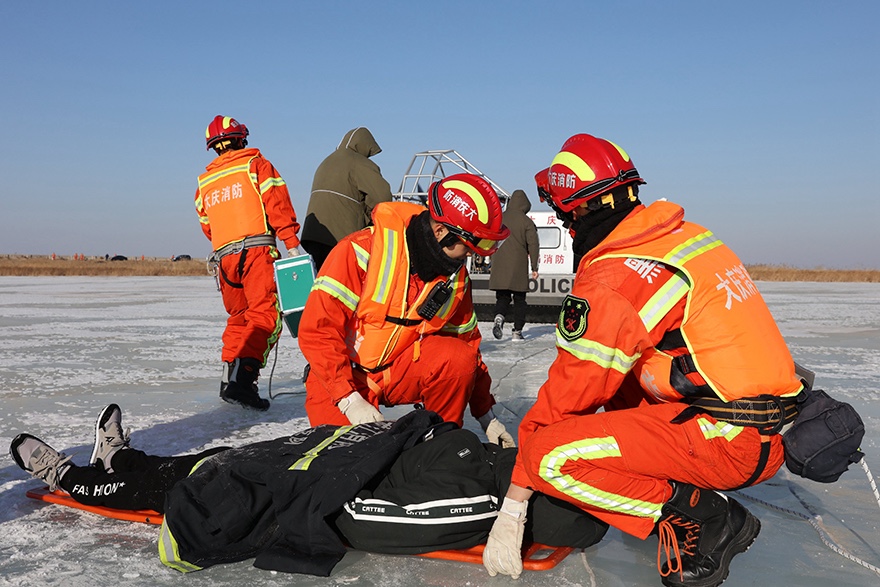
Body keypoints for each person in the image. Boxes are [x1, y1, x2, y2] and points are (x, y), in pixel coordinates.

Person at [482, 133, 805, 587]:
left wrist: (515, 502)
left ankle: (706, 517)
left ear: (576, 211)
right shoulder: (685, 237)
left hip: (727, 442)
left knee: (547, 456)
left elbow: (569, 396)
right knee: (624, 385)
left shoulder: (614, 277)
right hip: (764, 426)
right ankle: (686, 491)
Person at [9, 404, 608, 577]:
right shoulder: (494, 462)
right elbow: (430, 437)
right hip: (330, 455)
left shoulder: (477, 499)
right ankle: (126, 457)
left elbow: (365, 521)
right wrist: (388, 427)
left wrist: (295, 494)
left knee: (195, 483)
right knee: (208, 459)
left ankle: (75, 478)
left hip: (306, 483)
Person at [298, 173, 515, 447]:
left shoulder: (455, 281)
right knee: (341, 459)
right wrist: (349, 400)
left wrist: (486, 415)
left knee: (457, 359)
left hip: (396, 372)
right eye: (468, 248)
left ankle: (436, 447)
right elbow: (318, 332)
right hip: (341, 376)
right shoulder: (360, 251)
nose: (469, 256)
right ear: (441, 232)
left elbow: (468, 347)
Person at [195, 115, 302, 411]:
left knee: (239, 318)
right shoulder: (256, 165)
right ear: (241, 138)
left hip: (224, 260)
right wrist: (291, 244)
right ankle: (244, 383)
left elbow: (207, 226)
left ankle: (227, 380)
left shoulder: (205, 181)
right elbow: (277, 204)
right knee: (264, 316)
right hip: (256, 252)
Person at [300, 127, 393, 270]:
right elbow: (382, 197)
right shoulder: (359, 162)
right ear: (364, 145)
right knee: (345, 284)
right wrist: (371, 219)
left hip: (313, 235)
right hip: (340, 236)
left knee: (323, 283)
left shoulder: (326, 161)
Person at [489, 189, 540, 341]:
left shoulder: (499, 219)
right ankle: (517, 331)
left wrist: (491, 259)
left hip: (499, 264)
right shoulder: (527, 222)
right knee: (519, 300)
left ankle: (499, 317)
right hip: (518, 266)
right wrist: (534, 267)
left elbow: (490, 239)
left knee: (502, 298)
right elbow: (533, 245)